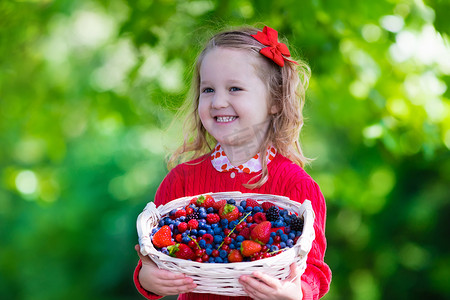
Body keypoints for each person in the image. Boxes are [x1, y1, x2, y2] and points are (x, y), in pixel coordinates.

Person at [134, 25, 332, 300]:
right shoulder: (181, 180)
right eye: (208, 89)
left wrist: (296, 293)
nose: (218, 101)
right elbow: (153, 256)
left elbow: (313, 271)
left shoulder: (296, 186)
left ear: (275, 101)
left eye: (235, 88)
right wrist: (147, 278)